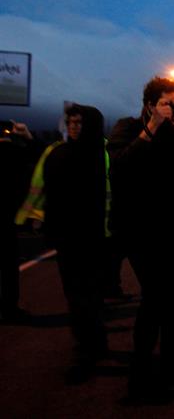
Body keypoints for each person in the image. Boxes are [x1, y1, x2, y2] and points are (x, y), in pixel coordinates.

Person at [107, 75, 174, 401]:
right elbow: (120, 168)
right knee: (155, 300)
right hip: (138, 229)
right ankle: (138, 379)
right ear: (150, 105)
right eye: (168, 104)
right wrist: (152, 127)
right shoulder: (127, 128)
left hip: (171, 228)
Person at [36, 105, 109, 383]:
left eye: (80, 122)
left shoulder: (99, 156)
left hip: (93, 237)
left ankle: (87, 351)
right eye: (71, 121)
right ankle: (93, 343)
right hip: (67, 238)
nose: (75, 126)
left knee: (85, 297)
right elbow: (50, 192)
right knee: (77, 296)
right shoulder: (58, 153)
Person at [1, 120, 38, 323]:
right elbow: (39, 156)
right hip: (8, 218)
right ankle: (8, 309)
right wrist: (27, 136)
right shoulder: (15, 153)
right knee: (8, 267)